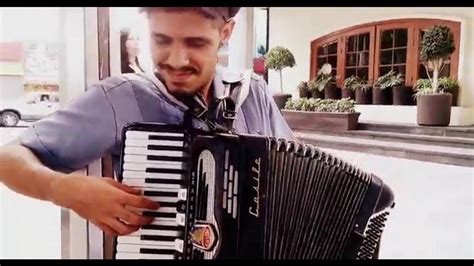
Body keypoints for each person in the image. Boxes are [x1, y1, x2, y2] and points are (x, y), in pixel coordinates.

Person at [0, 7, 295, 237]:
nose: (177, 60)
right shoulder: (118, 99)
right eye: (161, 40)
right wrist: (63, 190)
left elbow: (293, 178)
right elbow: (8, 158)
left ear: (226, 32)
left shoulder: (252, 92)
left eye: (196, 43)